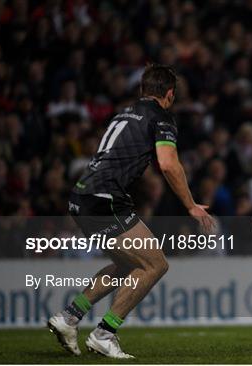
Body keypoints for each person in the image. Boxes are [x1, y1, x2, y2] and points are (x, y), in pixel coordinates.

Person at [47, 64, 215, 359]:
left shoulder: (125, 112)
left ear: (142, 90)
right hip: (105, 198)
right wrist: (190, 205)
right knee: (155, 265)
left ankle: (69, 317)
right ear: (170, 94)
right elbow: (168, 163)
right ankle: (105, 333)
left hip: (82, 195)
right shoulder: (160, 117)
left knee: (126, 265)